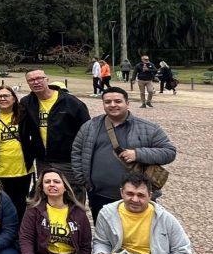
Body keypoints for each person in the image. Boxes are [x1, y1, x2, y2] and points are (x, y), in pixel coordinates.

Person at [71, 86, 177, 221]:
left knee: (138, 237)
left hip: (137, 197)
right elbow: (77, 152)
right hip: (99, 196)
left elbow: (169, 152)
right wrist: (84, 181)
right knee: (105, 237)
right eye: (108, 102)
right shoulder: (90, 126)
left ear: (127, 103)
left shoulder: (148, 128)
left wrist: (138, 154)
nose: (113, 105)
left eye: (118, 101)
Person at [16, 69, 90, 191]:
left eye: (39, 78)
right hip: (42, 161)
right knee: (46, 195)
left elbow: (86, 132)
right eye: (31, 80)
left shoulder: (71, 103)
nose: (36, 82)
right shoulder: (27, 102)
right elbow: (12, 115)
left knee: (72, 195)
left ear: (47, 80)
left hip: (68, 161)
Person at [0, 86, 35, 219]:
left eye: (6, 95)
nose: (3, 98)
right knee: (0, 205)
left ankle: (19, 235)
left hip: (22, 170)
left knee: (20, 205)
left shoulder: (24, 115)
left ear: (14, 99)